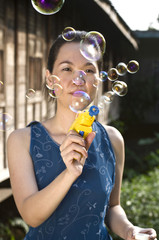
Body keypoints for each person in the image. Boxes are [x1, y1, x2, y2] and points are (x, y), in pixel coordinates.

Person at [7, 30, 157, 240]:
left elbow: (112, 208)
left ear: (98, 79)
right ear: (50, 80)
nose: (78, 79)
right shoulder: (22, 140)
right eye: (67, 68)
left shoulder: (113, 139)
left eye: (88, 69)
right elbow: (31, 216)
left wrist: (130, 230)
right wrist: (69, 174)